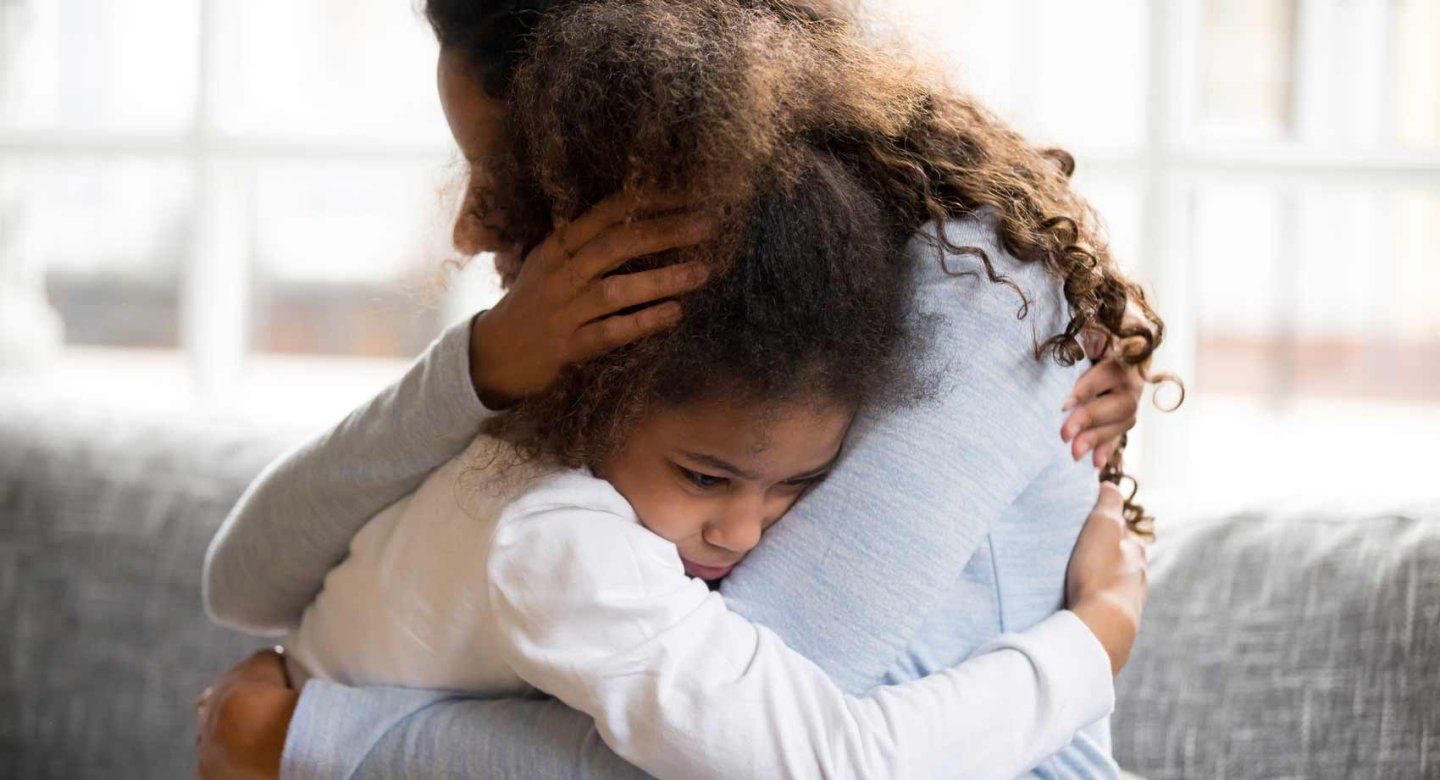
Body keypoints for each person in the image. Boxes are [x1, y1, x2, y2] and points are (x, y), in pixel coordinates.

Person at [197, 1, 1159, 777]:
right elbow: (245, 583)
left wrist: (305, 741)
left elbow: (750, 759)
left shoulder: (974, 282)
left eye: (503, 170)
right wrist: (480, 365)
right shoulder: (634, 343)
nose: (468, 228)